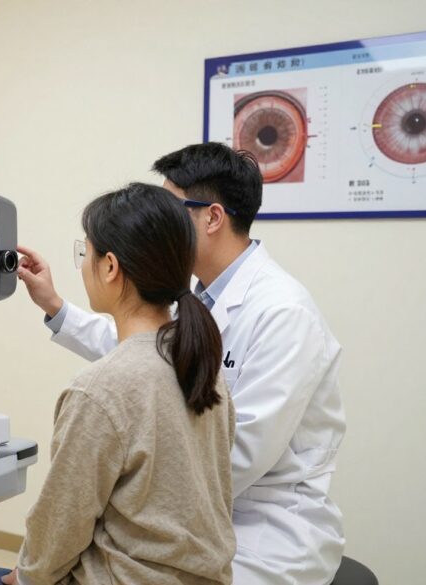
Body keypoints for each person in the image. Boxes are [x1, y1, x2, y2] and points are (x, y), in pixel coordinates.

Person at [18, 143, 346, 584]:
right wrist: (56, 307)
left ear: (212, 218)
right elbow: (142, 357)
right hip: (193, 525)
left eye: (170, 209)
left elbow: (234, 458)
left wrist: (124, 486)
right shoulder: (195, 298)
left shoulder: (284, 313)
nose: (158, 221)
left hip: (262, 533)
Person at [0, 183, 236, 585]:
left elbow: (61, 522)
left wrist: (26, 576)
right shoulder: (200, 362)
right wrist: (53, 303)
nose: (83, 265)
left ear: (110, 267)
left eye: (86, 253)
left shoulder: (99, 390)